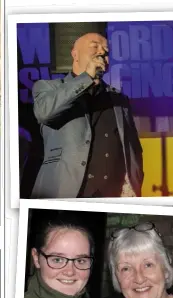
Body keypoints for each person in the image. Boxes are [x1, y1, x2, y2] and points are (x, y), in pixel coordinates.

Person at [31, 32, 143, 199]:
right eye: (94, 46)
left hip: (112, 195)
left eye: (106, 50)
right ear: (75, 54)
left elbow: (133, 147)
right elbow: (44, 113)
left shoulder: (118, 99)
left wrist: (133, 181)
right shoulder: (49, 87)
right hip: (65, 192)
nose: (102, 52)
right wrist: (86, 78)